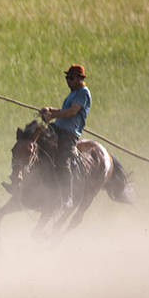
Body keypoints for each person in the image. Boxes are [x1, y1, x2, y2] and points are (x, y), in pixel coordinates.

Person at [38, 64, 90, 208]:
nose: (68, 81)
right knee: (36, 141)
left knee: (63, 160)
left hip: (69, 133)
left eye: (71, 78)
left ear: (80, 78)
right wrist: (49, 109)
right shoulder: (73, 93)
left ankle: (68, 197)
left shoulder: (83, 93)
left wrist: (52, 115)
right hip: (58, 127)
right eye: (67, 78)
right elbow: (63, 110)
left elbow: (72, 111)